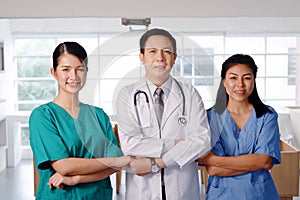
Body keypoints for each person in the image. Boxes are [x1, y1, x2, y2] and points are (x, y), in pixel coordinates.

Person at [29, 41, 133, 200]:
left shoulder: (98, 115)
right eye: (66, 69)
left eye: (80, 69)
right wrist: (114, 161)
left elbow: (113, 168)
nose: (74, 76)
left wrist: (77, 178)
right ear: (54, 72)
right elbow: (63, 166)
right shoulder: (43, 116)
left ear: (86, 71)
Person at [116, 28, 211, 199]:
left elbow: (202, 142)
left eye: (166, 51)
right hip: (142, 191)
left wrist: (155, 163)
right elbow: (130, 144)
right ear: (142, 57)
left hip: (182, 190)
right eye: (152, 51)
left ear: (174, 58)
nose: (160, 57)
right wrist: (177, 143)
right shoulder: (127, 94)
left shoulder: (190, 94)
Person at [198, 54, 281, 200]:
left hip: (260, 194)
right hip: (222, 195)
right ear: (223, 81)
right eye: (233, 78)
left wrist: (212, 159)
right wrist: (253, 163)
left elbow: (264, 161)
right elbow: (214, 170)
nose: (240, 84)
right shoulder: (210, 117)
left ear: (254, 81)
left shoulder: (267, 115)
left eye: (247, 78)